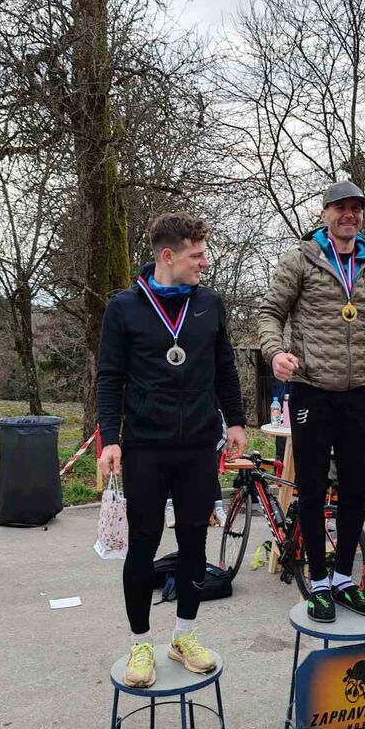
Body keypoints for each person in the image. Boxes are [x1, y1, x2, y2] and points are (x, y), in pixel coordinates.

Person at [258, 180, 365, 622]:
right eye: (340, 208)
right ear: (325, 214)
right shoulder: (301, 259)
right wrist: (275, 352)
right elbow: (270, 312)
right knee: (312, 487)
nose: (349, 214)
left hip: (359, 393)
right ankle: (317, 581)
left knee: (357, 488)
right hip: (311, 389)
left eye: (356, 208)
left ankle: (342, 578)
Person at [97, 213, 246, 688]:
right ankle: (141, 643)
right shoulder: (124, 308)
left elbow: (225, 367)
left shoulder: (210, 304)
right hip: (145, 446)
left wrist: (236, 420)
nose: (205, 262)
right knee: (143, 543)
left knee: (194, 542)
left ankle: (184, 636)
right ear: (168, 256)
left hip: (198, 445)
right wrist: (110, 438)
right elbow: (109, 377)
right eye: (196, 255)